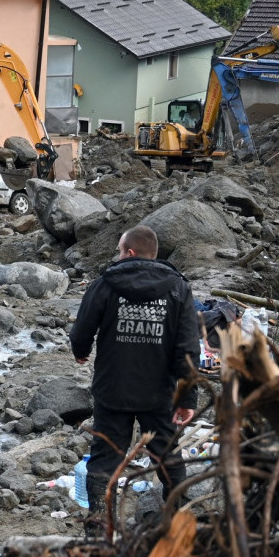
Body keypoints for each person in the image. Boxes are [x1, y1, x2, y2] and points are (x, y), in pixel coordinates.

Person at [69, 226, 200, 534]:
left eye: (119, 250)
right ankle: (175, 516)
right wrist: (187, 399)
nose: (117, 255)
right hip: (159, 392)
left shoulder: (105, 283)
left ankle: (99, 522)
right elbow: (188, 349)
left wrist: (81, 350)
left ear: (129, 252)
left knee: (104, 460)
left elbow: (82, 328)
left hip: (113, 388)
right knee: (167, 455)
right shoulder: (179, 288)